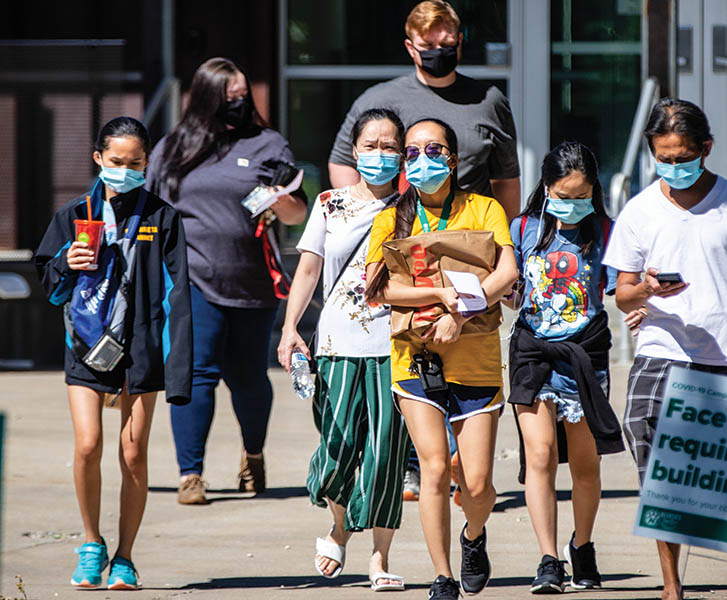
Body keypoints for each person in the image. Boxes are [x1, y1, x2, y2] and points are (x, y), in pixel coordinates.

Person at [602, 97, 727, 600]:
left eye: (682, 156)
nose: (673, 167)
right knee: (646, 437)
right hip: (662, 343)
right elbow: (623, 293)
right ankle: (672, 584)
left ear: (706, 149)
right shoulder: (639, 211)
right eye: (663, 158)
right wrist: (648, 289)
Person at [34, 116, 192, 590]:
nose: (125, 169)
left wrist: (177, 369)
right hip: (85, 344)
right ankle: (90, 543)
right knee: (87, 444)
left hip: (141, 346)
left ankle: (124, 556)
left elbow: (179, 294)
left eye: (135, 162)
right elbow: (49, 281)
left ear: (147, 164)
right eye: (116, 161)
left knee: (133, 452)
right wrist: (66, 261)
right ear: (99, 159)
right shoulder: (73, 215)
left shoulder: (163, 218)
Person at [364, 118, 518, 599]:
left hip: (476, 360)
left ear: (453, 157)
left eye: (433, 150)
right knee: (432, 469)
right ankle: (442, 575)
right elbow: (379, 288)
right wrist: (445, 294)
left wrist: (462, 310)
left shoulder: (484, 208)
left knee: (475, 483)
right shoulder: (392, 217)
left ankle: (474, 535)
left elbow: (507, 272)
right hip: (415, 359)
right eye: (410, 153)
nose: (420, 160)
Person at [145, 57, 307, 505]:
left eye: (243, 96)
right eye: (228, 97)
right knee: (197, 375)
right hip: (193, 278)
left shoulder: (268, 143)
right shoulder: (173, 148)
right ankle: (189, 474)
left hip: (254, 281)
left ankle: (252, 455)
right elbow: (151, 211)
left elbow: (298, 214)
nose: (238, 104)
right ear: (205, 99)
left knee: (249, 378)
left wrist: (283, 193)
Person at [276, 108, 409, 592]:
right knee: (336, 450)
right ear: (354, 152)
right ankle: (339, 525)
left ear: (402, 154)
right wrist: (291, 329)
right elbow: (309, 270)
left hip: (394, 347)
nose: (379, 155)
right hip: (334, 343)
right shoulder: (330, 203)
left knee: (385, 455)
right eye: (370, 146)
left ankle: (379, 556)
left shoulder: (414, 207)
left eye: (389, 146)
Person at [508, 142, 643, 594]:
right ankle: (548, 559)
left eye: (580, 195)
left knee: (585, 463)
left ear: (594, 192)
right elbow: (511, 287)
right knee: (541, 455)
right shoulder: (523, 228)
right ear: (546, 189)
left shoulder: (606, 230)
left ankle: (581, 546)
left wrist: (640, 305)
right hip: (532, 351)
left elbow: (619, 291)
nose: (571, 204)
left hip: (585, 352)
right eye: (563, 195)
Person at [329, 0, 520, 222]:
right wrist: (369, 215)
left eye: (446, 43)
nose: (438, 52)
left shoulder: (490, 101)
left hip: (470, 231)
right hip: (398, 228)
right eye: (428, 46)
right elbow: (342, 162)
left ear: (459, 41)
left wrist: (507, 237)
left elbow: (505, 180)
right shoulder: (377, 100)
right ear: (411, 48)